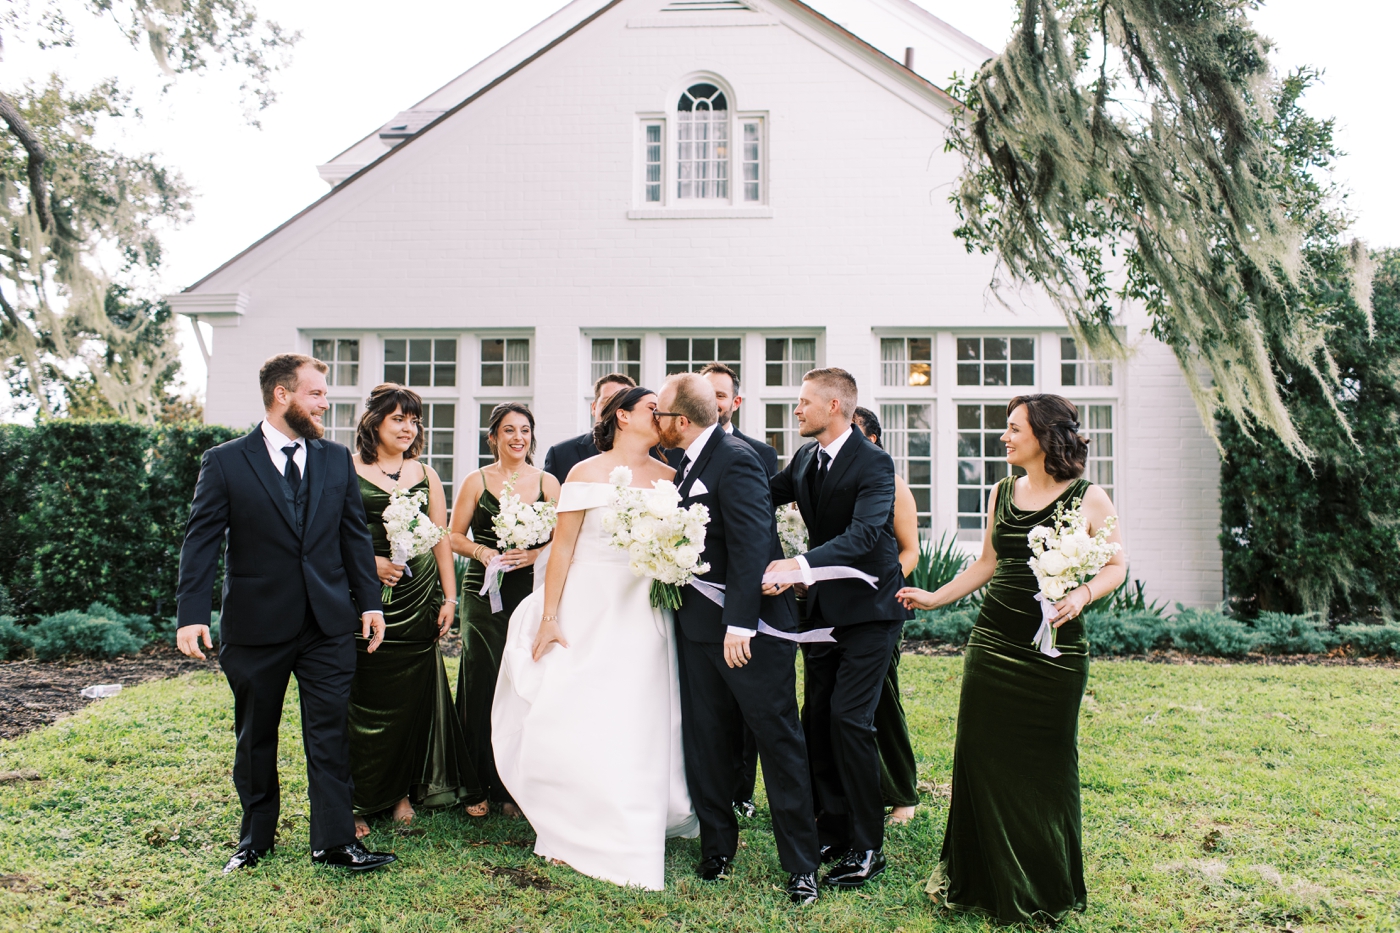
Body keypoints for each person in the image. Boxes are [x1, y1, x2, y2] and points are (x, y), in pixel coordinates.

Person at [896, 395, 1126, 925]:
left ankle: (1045, 883)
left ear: (1045, 436)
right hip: (994, 641)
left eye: (1014, 428)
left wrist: (1083, 595)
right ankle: (983, 880)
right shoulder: (1001, 492)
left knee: (1048, 767)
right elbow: (987, 564)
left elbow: (1116, 564)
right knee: (980, 759)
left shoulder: (1089, 497)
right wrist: (935, 596)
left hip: (1057, 651)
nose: (1004, 436)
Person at [175, 353, 395, 873]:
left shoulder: (335, 458)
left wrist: (368, 602)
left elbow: (353, 537)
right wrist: (191, 613)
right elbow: (201, 541)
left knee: (329, 733)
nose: (325, 402)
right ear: (282, 395)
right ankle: (254, 840)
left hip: (327, 623)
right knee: (255, 736)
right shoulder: (225, 461)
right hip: (256, 625)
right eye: (317, 393)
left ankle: (335, 842)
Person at [491, 386, 697, 890]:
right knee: (579, 713)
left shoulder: (672, 478)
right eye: (652, 408)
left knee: (641, 719)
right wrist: (549, 617)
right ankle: (573, 820)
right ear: (622, 416)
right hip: (588, 607)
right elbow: (560, 553)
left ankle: (636, 816)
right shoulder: (583, 474)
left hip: (646, 612)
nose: (663, 415)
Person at [655, 373, 821, 905]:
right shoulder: (681, 467)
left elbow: (754, 543)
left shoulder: (737, 458)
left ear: (681, 420)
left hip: (749, 631)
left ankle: (801, 865)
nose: (656, 422)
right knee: (706, 739)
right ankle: (717, 846)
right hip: (697, 629)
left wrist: (740, 624)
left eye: (659, 414)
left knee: (777, 740)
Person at [763, 368, 910, 889]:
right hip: (820, 613)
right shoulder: (804, 458)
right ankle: (833, 827)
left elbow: (866, 533)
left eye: (803, 402)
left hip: (871, 611)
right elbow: (763, 491)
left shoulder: (876, 463)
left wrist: (796, 567)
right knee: (818, 718)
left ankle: (869, 846)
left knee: (850, 719)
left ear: (833, 406)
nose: (796, 410)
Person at [347, 383, 479, 838]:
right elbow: (331, 535)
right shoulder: (348, 470)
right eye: (398, 419)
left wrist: (450, 597)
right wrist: (371, 563)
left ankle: (401, 791)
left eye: (413, 419)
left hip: (419, 593)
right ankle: (358, 798)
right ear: (375, 423)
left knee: (411, 698)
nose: (408, 428)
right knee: (364, 697)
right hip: (368, 596)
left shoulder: (426, 474)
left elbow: (441, 537)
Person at [449, 403, 560, 819]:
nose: (518, 437)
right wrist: (482, 551)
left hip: (531, 591)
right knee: (482, 678)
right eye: (509, 430)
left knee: (522, 681)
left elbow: (569, 537)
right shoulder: (475, 481)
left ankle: (512, 786)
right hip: (484, 591)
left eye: (525, 430)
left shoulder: (549, 483)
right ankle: (475, 781)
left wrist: (535, 555)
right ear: (493, 436)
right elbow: (453, 535)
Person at [696, 362, 777, 820]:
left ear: (735, 402)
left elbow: (754, 532)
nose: (714, 401)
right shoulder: (678, 458)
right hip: (695, 599)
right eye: (707, 393)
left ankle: (742, 790)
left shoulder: (758, 455)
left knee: (747, 710)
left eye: (721, 395)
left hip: (741, 600)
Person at [850, 406, 920, 825]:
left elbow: (908, 549)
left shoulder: (892, 484)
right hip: (831, 607)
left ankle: (902, 791)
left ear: (873, 441)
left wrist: (881, 586)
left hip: (879, 607)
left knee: (883, 701)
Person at [541, 372, 637, 482]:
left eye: (622, 404)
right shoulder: (560, 455)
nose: (614, 410)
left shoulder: (655, 454)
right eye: (607, 402)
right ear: (594, 408)